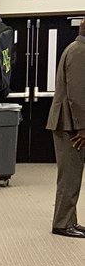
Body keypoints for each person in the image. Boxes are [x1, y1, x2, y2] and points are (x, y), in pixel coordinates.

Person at [46, 19, 85, 238]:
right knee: (69, 176)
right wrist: (82, 128)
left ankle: (70, 219)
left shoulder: (76, 48)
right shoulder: (79, 51)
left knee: (73, 174)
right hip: (70, 125)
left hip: (71, 123)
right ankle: (62, 223)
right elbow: (77, 95)